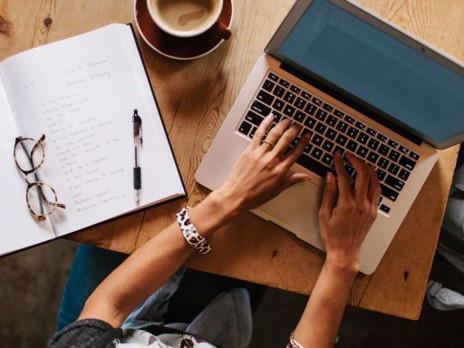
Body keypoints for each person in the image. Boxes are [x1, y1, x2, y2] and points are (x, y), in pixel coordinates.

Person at [49, 114, 380, 348]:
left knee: (122, 217)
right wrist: (341, 262)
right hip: (208, 336)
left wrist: (227, 201)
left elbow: (108, 305)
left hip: (116, 327)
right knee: (262, 242)